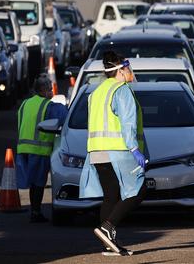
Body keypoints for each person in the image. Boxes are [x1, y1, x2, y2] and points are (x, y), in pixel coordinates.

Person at [79, 51, 147, 256]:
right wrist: (134, 149)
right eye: (127, 68)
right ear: (119, 70)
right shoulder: (122, 90)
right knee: (138, 190)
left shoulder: (96, 92)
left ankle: (108, 243)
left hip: (96, 151)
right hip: (119, 150)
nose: (130, 72)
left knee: (111, 195)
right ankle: (107, 228)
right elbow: (128, 124)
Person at [16, 74, 68, 223]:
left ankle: (34, 210)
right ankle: (36, 212)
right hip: (39, 149)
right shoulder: (48, 105)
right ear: (43, 90)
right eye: (50, 89)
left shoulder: (25, 103)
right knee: (39, 183)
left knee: (33, 183)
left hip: (23, 149)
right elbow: (65, 117)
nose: (51, 92)